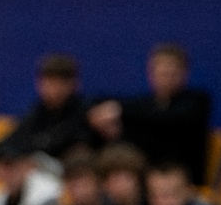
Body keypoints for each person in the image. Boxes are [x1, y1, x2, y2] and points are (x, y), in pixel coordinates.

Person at [88, 43, 213, 187]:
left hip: (185, 181)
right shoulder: (145, 104)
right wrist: (114, 129)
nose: (166, 79)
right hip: (145, 179)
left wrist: (119, 110)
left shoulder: (197, 101)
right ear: (151, 73)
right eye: (161, 73)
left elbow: (166, 120)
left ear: (184, 73)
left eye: (171, 73)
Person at [6, 54, 95, 160]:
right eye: (50, 83)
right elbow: (12, 143)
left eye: (61, 83)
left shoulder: (86, 111)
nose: (55, 90)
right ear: (39, 84)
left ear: (75, 84)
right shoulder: (36, 113)